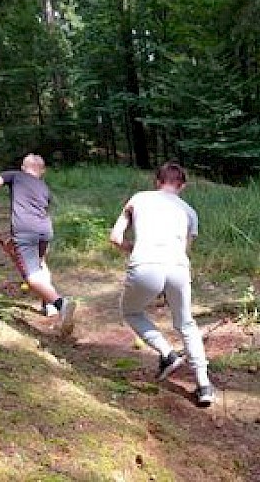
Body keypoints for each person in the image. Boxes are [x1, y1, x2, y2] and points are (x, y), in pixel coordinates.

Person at [110, 161, 215, 406]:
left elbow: (115, 238)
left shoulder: (138, 199)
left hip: (145, 265)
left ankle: (168, 354)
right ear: (183, 185)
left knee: (131, 311)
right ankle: (204, 385)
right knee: (186, 323)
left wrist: (134, 249)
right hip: (178, 268)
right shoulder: (189, 212)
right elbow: (185, 250)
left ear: (157, 181)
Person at [0, 153, 76, 336]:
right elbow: (34, 212)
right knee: (40, 263)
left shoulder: (15, 176)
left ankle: (61, 303)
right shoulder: (44, 187)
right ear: (42, 171)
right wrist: (14, 241)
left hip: (25, 232)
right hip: (45, 230)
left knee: (31, 277)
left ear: (23, 168)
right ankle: (49, 306)